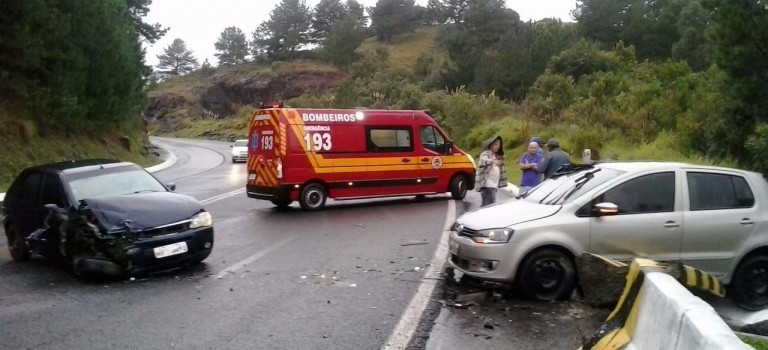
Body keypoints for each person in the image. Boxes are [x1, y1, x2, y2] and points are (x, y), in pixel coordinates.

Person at [474, 136, 507, 206]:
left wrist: (501, 160)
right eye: (495, 144)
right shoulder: (486, 154)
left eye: (499, 145)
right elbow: (483, 161)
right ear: (490, 145)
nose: (497, 146)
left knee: (490, 204)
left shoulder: (497, 156)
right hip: (487, 185)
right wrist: (493, 161)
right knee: (488, 205)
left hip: (494, 185)